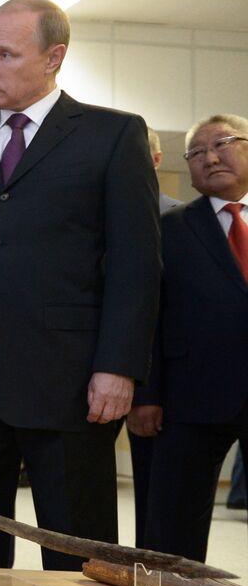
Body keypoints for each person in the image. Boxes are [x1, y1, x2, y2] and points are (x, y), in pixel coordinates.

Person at [0, 0, 161, 570]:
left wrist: (119, 365)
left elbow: (136, 265)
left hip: (70, 381)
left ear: (54, 57)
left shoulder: (112, 137)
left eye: (7, 55)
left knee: (76, 548)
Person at [129, 114, 248, 562]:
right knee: (173, 527)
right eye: (196, 153)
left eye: (223, 143)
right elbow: (148, 316)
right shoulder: (169, 227)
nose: (210, 157)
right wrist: (146, 393)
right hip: (188, 399)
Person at [126, 126, 182, 545]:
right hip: (85, 377)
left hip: (152, 377)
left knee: (154, 491)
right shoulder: (83, 214)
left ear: (158, 161)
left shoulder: (180, 222)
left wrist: (148, 391)